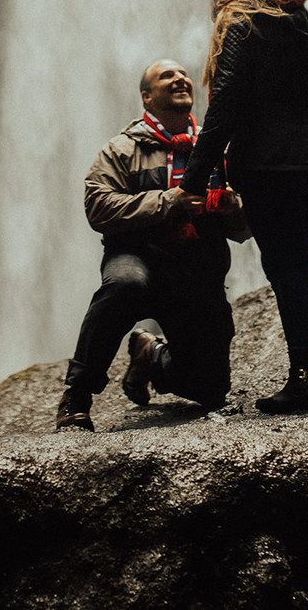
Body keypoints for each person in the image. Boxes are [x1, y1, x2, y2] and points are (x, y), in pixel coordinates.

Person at [181, 0, 308, 414]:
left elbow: (225, 106)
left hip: (274, 167)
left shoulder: (240, 23)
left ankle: (307, 378)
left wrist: (192, 181)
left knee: (285, 264)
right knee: (291, 260)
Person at [56, 58, 250, 431]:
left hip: (195, 271)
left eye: (182, 74)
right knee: (125, 285)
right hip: (136, 258)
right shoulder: (122, 150)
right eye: (166, 76)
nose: (179, 78)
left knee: (211, 390)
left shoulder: (214, 150)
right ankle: (77, 394)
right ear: (146, 97)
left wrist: (232, 206)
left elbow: (244, 228)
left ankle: (151, 354)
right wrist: (169, 201)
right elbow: (98, 207)